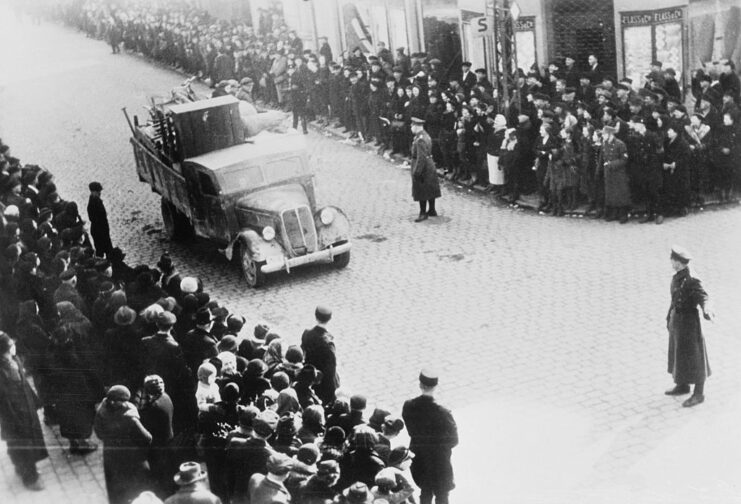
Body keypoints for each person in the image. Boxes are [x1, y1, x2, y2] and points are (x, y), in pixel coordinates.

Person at [664, 246, 715, 408]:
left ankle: (699, 393)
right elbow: (674, 299)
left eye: (676, 261)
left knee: (695, 355)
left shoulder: (692, 279)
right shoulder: (678, 276)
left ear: (680, 262)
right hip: (677, 320)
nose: (673, 263)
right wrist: (669, 316)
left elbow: (703, 296)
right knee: (679, 352)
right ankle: (683, 384)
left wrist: (707, 309)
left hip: (689, 322)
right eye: (673, 260)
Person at [402, 369, 458, 504]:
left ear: (420, 385)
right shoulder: (443, 412)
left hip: (420, 456)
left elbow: (411, 430)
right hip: (440, 460)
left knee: (425, 491)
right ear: (435, 387)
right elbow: (454, 440)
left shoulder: (409, 406)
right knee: (442, 494)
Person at [0, 332, 47, 490]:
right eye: (11, 345)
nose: (14, 347)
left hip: (25, 407)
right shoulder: (2, 371)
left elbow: (24, 383)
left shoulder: (13, 360)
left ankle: (23, 468)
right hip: (13, 414)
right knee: (22, 443)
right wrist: (15, 419)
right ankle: (30, 478)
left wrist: (34, 401)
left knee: (26, 442)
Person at [94, 385, 153, 504]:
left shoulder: (101, 409)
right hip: (131, 457)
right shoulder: (130, 415)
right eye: (122, 401)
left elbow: (99, 434)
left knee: (116, 490)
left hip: (111, 454)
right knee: (138, 487)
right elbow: (147, 438)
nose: (125, 404)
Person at [301, 305, 339, 405]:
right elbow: (331, 369)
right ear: (330, 319)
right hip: (324, 382)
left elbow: (303, 352)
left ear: (315, 316)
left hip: (309, 375)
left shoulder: (307, 333)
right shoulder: (328, 343)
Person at [410, 117, 441, 222]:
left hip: (423, 166)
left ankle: (423, 213)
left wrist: (417, 171)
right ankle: (432, 209)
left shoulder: (420, 139)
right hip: (429, 164)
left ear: (417, 126)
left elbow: (421, 157)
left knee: (421, 189)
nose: (411, 127)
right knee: (430, 187)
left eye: (412, 125)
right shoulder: (425, 135)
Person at [87, 181, 113, 258]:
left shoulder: (94, 200)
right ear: (93, 191)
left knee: (103, 251)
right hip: (100, 231)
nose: (100, 193)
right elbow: (95, 218)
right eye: (98, 191)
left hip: (99, 230)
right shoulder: (94, 202)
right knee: (104, 251)